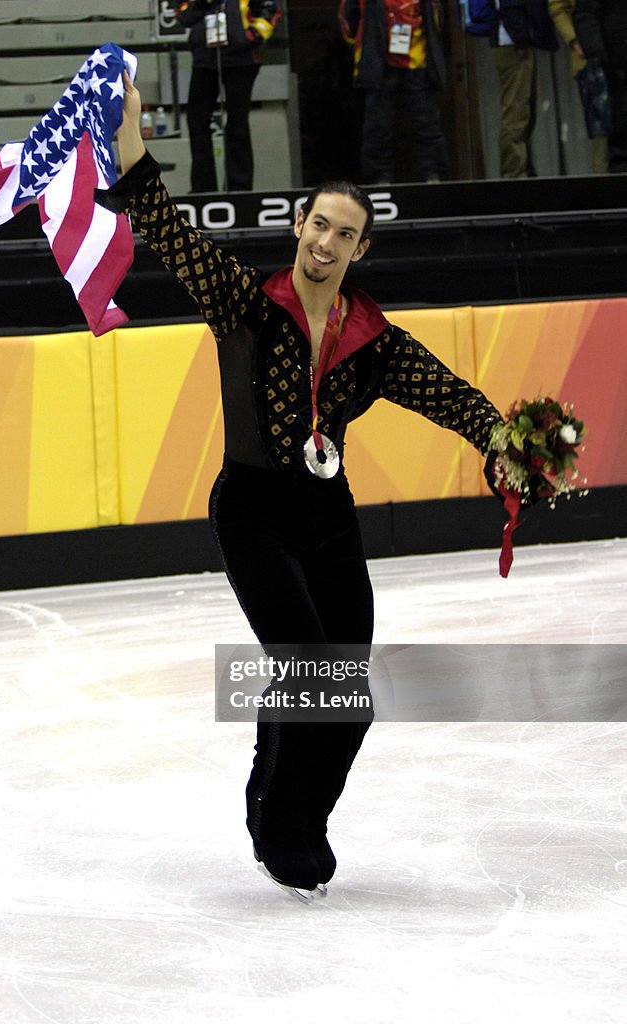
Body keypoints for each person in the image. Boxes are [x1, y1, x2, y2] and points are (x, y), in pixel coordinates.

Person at [96, 71, 503, 901]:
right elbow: (165, 228)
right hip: (251, 512)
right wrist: (129, 132)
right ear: (298, 224)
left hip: (325, 516)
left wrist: (506, 440)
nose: (325, 241)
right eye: (318, 223)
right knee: (307, 667)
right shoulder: (243, 301)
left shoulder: (372, 339)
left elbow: (451, 395)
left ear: (360, 250)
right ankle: (274, 818)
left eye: (343, 233)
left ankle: (302, 816)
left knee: (347, 696)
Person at [174, 0, 282, 192]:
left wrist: (251, 36)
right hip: (204, 58)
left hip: (241, 58)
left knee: (237, 123)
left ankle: (239, 187)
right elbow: (184, 16)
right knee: (197, 121)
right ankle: (203, 188)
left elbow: (270, 9)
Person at [338, 0, 449, 184]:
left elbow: (437, 19)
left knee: (427, 121)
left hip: (417, 62)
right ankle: (379, 178)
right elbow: (348, 19)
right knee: (378, 124)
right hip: (379, 64)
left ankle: (432, 175)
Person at [489, 0, 558, 177]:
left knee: (523, 112)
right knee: (516, 113)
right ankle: (514, 175)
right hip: (512, 43)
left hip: (514, 40)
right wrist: (520, 37)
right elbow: (509, 5)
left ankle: (522, 169)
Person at [547, 0, 609, 173]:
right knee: (601, 132)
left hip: (618, 45)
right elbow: (557, 7)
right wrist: (575, 40)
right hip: (590, 57)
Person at [573, 0, 627, 173]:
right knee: (619, 119)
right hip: (615, 59)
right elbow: (585, 14)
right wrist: (597, 52)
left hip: (614, 51)